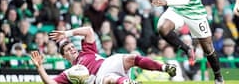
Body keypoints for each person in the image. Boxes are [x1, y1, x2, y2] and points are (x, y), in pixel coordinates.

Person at [31, 26, 176, 84]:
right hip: (98, 78)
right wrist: (39, 67)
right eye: (67, 50)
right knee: (109, 79)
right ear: (64, 56)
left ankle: (164, 67)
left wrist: (67, 33)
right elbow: (50, 83)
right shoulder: (70, 73)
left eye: (72, 46)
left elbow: (88, 30)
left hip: (107, 63)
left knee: (131, 58)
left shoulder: (87, 50)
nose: (72, 49)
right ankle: (128, 83)